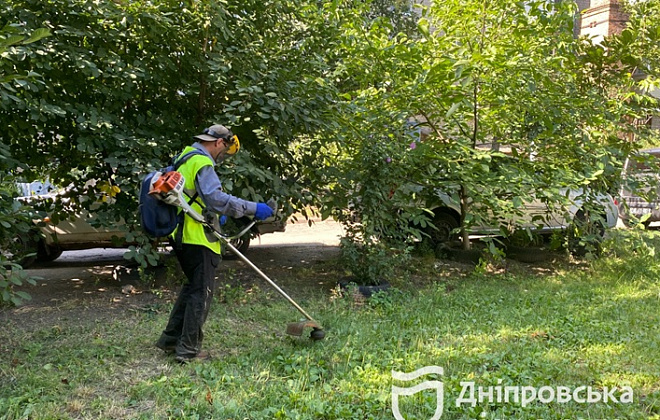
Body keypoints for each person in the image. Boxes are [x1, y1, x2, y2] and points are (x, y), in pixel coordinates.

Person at [155, 124, 274, 363]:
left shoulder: (184, 157)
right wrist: (254, 209)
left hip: (181, 235)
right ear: (219, 142)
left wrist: (212, 212)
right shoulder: (202, 161)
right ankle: (188, 350)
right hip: (197, 238)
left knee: (192, 288)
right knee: (201, 293)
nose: (224, 156)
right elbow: (217, 198)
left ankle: (170, 340)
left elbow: (191, 195)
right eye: (225, 150)